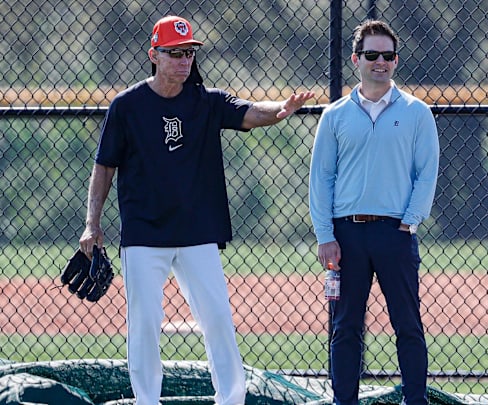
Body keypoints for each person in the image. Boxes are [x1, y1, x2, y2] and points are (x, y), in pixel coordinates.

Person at [78, 15, 314, 405]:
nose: (184, 60)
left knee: (218, 320)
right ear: (154, 55)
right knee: (144, 326)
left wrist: (282, 110)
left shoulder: (205, 100)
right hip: (144, 234)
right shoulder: (127, 106)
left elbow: (251, 112)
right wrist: (92, 223)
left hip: (196, 232)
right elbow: (104, 165)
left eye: (189, 53)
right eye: (175, 53)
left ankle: (231, 400)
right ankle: (147, 401)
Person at [308, 20, 439, 405]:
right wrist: (325, 236)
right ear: (356, 60)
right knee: (345, 328)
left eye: (387, 55)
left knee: (408, 325)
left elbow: (426, 172)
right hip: (346, 236)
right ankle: (343, 401)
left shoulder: (416, 112)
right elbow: (322, 178)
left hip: (395, 234)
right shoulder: (334, 115)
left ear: (395, 61)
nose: (380, 62)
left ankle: (415, 400)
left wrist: (409, 221)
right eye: (372, 55)